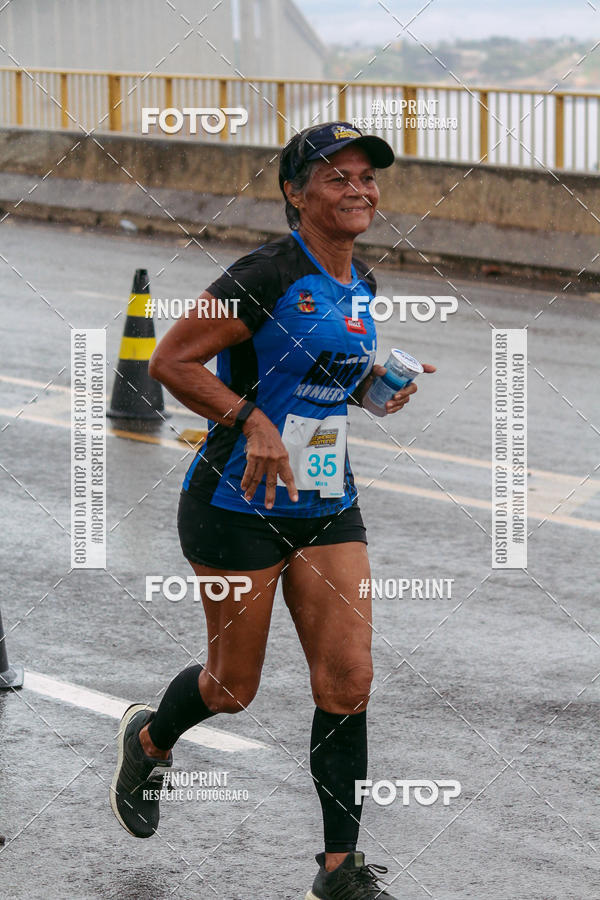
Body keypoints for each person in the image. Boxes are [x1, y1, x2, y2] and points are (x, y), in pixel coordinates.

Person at [110, 121, 436, 899]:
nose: (358, 189)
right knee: (232, 687)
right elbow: (170, 361)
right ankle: (149, 741)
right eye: (337, 177)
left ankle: (339, 870)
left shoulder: (362, 283)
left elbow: (325, 375)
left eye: (366, 176)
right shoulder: (264, 273)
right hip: (236, 504)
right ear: (295, 194)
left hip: (326, 499)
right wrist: (249, 420)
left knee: (348, 680)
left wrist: (373, 390)